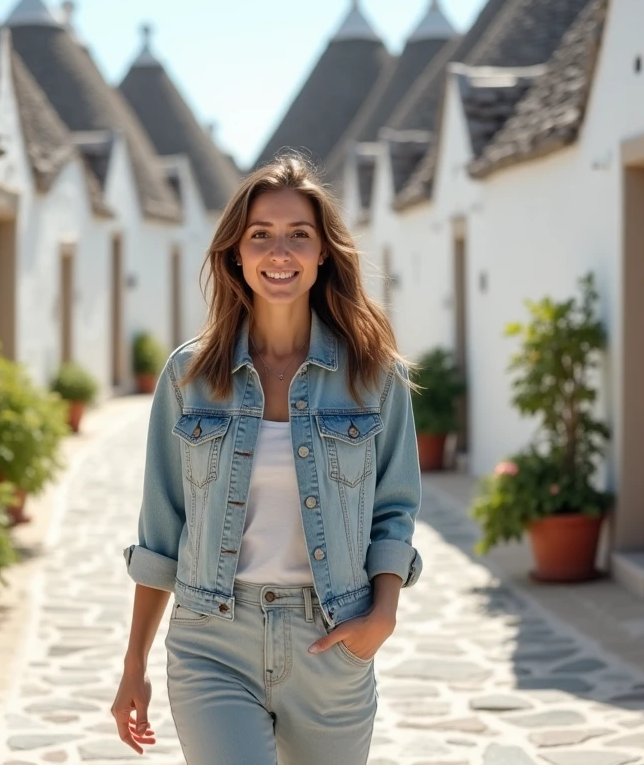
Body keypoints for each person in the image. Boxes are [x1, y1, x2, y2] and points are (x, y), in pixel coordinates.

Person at [111, 154, 424, 764]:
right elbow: (161, 528)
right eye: (261, 236)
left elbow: (394, 508)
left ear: (324, 253)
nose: (279, 252)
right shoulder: (189, 375)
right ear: (236, 252)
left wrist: (381, 616)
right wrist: (133, 666)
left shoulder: (373, 375)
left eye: (298, 236)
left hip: (331, 642)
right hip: (212, 640)